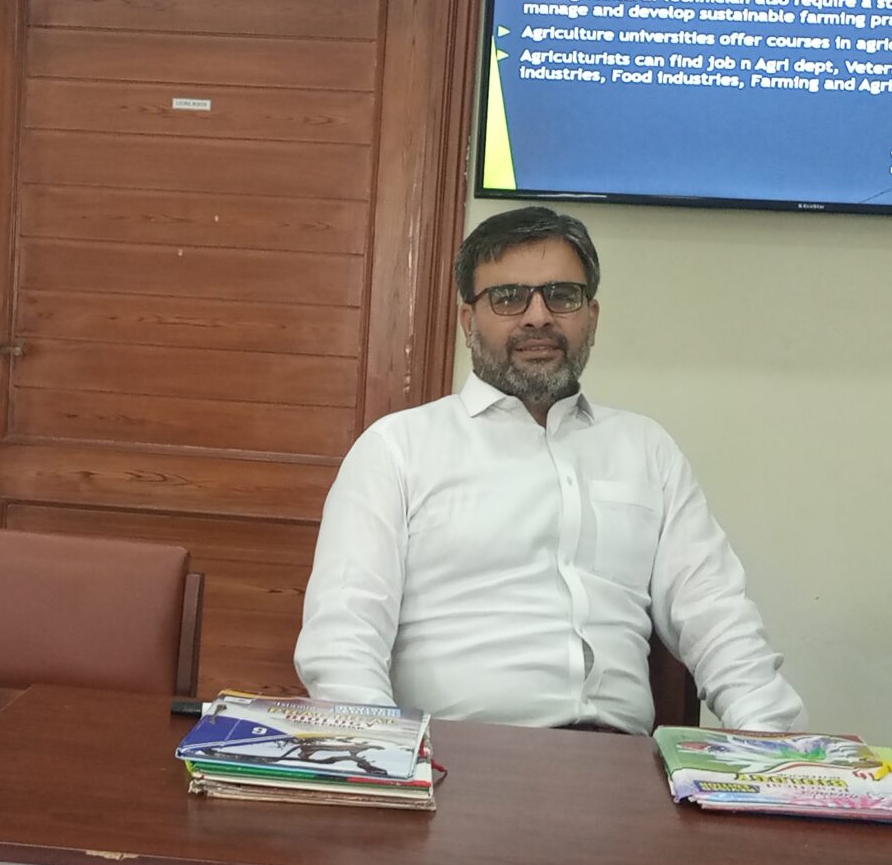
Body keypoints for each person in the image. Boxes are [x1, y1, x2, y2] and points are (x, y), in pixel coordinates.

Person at [296, 205, 805, 734]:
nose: (538, 316)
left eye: (562, 295)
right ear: (468, 321)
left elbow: (716, 614)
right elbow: (343, 641)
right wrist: (382, 760)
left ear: (592, 317)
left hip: (619, 763)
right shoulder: (397, 449)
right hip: (455, 755)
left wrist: (771, 749)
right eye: (508, 297)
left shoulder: (645, 449)